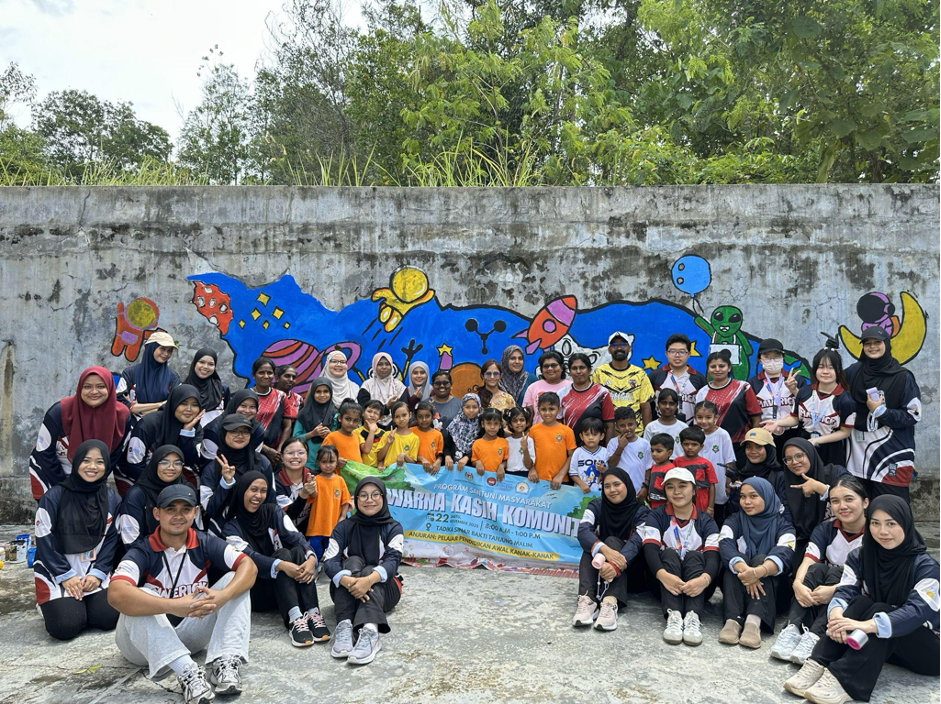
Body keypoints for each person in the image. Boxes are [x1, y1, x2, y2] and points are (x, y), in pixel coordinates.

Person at [109, 484, 257, 704]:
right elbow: (115, 594)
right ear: (157, 513)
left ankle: (224, 663)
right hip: (141, 646)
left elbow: (249, 566)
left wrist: (223, 596)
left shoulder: (204, 540)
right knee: (135, 595)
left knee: (233, 583)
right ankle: (187, 672)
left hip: (190, 632)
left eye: (185, 509)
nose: (178, 516)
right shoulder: (143, 549)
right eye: (170, 509)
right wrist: (172, 605)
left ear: (195, 512)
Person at [783, 496, 939, 704]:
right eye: (875, 523)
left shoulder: (927, 567)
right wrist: (837, 617)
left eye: (891, 523)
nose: (882, 531)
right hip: (884, 645)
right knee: (860, 603)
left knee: (883, 610)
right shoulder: (861, 556)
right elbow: (845, 591)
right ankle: (818, 663)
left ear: (906, 524)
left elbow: (916, 613)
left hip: (928, 652)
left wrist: (864, 625)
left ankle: (845, 681)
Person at [223, 470, 329, 647]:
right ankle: (294, 620)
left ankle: (312, 613)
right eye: (253, 490)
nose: (258, 495)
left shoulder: (273, 511)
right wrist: (281, 565)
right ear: (242, 491)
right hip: (259, 591)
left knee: (296, 551)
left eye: (263, 491)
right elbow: (249, 558)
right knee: (282, 556)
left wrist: (311, 558)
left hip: (286, 585)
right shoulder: (230, 527)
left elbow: (296, 537)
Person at [771, 476, 868, 665]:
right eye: (835, 501)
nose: (842, 506)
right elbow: (809, 560)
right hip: (823, 592)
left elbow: (870, 579)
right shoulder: (826, 528)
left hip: (857, 595)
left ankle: (815, 636)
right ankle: (793, 629)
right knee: (816, 569)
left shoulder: (875, 533)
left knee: (836, 573)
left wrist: (835, 590)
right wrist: (798, 584)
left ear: (865, 502)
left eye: (849, 499)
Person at [34, 439, 121, 641]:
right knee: (64, 627)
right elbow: (44, 539)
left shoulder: (111, 498)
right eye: (86, 461)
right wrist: (65, 575)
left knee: (109, 618)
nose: (92, 467)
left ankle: (83, 606)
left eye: (99, 462)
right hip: (57, 571)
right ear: (76, 462)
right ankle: (49, 605)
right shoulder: (53, 497)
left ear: (106, 466)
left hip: (93, 570)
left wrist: (98, 573)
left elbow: (112, 539)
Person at [325, 477, 404, 666]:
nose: (370, 500)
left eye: (376, 494)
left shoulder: (393, 527)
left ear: (383, 498)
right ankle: (344, 626)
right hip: (347, 588)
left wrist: (367, 580)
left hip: (386, 591)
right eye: (364, 495)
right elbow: (329, 561)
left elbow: (393, 562)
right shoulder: (343, 527)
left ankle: (371, 631)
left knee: (370, 568)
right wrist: (348, 581)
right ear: (356, 499)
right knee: (352, 561)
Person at [643, 467, 720, 646]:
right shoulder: (656, 515)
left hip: (700, 586)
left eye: (682, 486)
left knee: (694, 556)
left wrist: (705, 579)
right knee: (668, 552)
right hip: (664, 584)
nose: (676, 492)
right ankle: (674, 615)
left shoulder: (706, 521)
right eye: (670, 487)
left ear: (693, 490)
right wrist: (663, 576)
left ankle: (693, 617)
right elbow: (650, 550)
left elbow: (713, 558)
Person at [29, 366, 131, 500]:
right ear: (79, 388)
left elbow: (113, 457)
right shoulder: (59, 411)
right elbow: (44, 453)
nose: (94, 392)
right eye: (87, 387)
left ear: (110, 388)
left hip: (93, 478)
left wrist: (91, 484)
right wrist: (65, 488)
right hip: (51, 475)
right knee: (56, 514)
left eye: (101, 386)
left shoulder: (122, 416)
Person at [844, 327, 921, 502]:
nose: (872, 347)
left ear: (886, 343)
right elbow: (833, 388)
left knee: (891, 509)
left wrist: (881, 412)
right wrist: (829, 357)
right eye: (867, 343)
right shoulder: (854, 372)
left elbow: (913, 415)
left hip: (890, 453)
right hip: (857, 454)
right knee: (859, 509)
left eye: (877, 342)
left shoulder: (903, 377)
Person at [718, 477, 796, 649]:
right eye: (743, 496)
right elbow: (724, 544)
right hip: (739, 584)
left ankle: (754, 622)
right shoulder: (734, 520)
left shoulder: (784, 526)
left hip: (774, 595)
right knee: (737, 559)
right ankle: (733, 620)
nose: (746, 502)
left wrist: (757, 572)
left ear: (767, 496)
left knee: (762, 559)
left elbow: (785, 554)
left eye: (753, 496)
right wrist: (745, 570)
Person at [572, 467, 649, 632]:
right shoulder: (596, 505)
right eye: (607, 486)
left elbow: (637, 542)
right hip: (601, 571)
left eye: (617, 484)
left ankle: (610, 602)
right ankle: (587, 600)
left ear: (627, 484)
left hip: (631, 572)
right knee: (592, 545)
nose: (612, 490)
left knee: (612, 541)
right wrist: (603, 549)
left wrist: (615, 564)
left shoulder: (641, 510)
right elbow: (583, 530)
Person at [763, 346, 853, 467]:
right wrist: (778, 423)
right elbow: (795, 418)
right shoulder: (804, 392)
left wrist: (817, 440)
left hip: (830, 450)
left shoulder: (846, 400)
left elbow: (845, 432)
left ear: (838, 370)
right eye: (821, 367)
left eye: (831, 368)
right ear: (815, 369)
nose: (825, 371)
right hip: (803, 445)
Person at [118, 385, 204, 494]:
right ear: (173, 403)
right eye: (183, 403)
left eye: (194, 405)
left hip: (171, 480)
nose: (189, 409)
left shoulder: (196, 428)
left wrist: (186, 433)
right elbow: (134, 462)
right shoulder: (148, 424)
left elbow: (190, 461)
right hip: (137, 479)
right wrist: (156, 486)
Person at [201, 414, 275, 535]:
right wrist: (225, 483)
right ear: (223, 433)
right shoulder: (213, 467)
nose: (240, 436)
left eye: (245, 432)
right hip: (222, 532)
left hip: (258, 529)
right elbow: (211, 509)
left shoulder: (262, 463)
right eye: (234, 431)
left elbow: (271, 502)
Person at [782, 438, 849, 558]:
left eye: (799, 456)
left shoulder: (835, 473)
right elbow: (787, 521)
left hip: (841, 536)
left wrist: (821, 488)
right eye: (788, 459)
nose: (794, 462)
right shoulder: (787, 483)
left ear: (810, 453)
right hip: (803, 542)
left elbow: (855, 496)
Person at [695, 349, 761, 465]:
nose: (717, 370)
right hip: (711, 445)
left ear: (729, 367)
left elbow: (755, 418)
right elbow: (698, 422)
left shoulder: (743, 387)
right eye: (713, 366)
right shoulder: (702, 392)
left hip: (740, 444)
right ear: (708, 369)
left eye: (722, 366)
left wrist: (753, 442)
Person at [116, 445, 187, 548]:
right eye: (164, 462)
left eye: (177, 463)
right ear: (154, 464)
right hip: (143, 556)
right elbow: (131, 540)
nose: (171, 467)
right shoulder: (137, 495)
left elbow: (194, 530)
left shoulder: (186, 490)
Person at [748, 338, 806, 452]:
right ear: (760, 359)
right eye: (767, 357)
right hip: (765, 434)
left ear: (782, 358)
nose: (772, 360)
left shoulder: (796, 380)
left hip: (793, 433)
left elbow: (808, 408)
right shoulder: (753, 383)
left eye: (776, 356)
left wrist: (794, 390)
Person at [590, 332, 653, 434]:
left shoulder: (640, 374)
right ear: (609, 350)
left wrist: (647, 435)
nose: (619, 348)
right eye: (614, 345)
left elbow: (646, 407)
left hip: (636, 435)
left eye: (623, 344)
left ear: (629, 348)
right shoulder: (599, 373)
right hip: (608, 435)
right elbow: (594, 406)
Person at [117, 331, 181, 419]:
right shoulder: (130, 374)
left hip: (160, 427)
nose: (166, 354)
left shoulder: (173, 377)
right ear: (151, 348)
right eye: (162, 348)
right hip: (132, 428)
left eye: (169, 351)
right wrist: (161, 404)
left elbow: (176, 405)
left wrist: (135, 407)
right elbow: (119, 403)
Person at [304, 445, 353, 560]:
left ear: (337, 461)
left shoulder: (339, 480)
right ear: (318, 462)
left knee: (332, 551)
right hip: (317, 523)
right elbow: (313, 497)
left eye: (331, 461)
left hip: (333, 523)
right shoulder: (316, 479)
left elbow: (345, 500)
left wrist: (342, 517)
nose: (328, 465)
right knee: (315, 550)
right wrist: (310, 485)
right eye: (324, 462)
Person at [728, 427, 789, 517]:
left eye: (758, 447)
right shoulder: (741, 475)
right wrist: (735, 489)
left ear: (768, 449)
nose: (753, 451)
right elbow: (734, 511)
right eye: (748, 447)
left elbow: (784, 510)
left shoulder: (779, 476)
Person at [648, 334, 707, 422]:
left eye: (682, 352)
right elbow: (648, 406)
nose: (677, 355)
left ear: (689, 354)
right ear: (666, 354)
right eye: (672, 351)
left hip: (690, 431)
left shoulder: (699, 378)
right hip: (661, 430)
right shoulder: (655, 376)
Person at [694, 400, 736, 526]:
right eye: (699, 417)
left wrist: (728, 484)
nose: (704, 421)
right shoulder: (696, 435)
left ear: (716, 418)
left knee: (717, 516)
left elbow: (729, 461)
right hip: (700, 484)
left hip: (719, 482)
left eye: (708, 417)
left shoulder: (722, 435)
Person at [560, 353, 614, 443]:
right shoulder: (561, 394)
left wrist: (608, 452)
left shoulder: (602, 393)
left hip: (596, 451)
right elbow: (558, 426)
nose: (578, 371)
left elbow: (610, 425)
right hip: (570, 450)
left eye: (582, 368)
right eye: (574, 368)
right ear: (569, 371)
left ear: (589, 370)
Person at [200, 389, 264, 464]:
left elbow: (254, 458)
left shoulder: (257, 430)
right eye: (243, 406)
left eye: (252, 407)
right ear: (234, 405)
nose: (247, 411)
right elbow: (207, 463)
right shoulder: (214, 430)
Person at [250, 356, 295, 461]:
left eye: (269, 373)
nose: (266, 376)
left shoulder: (281, 397)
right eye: (261, 373)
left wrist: (280, 450)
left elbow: (287, 427)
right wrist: (264, 449)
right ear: (253, 375)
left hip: (275, 453)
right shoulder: (246, 396)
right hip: (250, 448)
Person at [527, 392, 576, 488]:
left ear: (559, 410)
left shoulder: (567, 431)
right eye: (543, 409)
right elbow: (528, 453)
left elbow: (572, 456)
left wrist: (561, 475)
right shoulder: (533, 430)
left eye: (551, 409)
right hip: (537, 479)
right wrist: (531, 469)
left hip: (560, 481)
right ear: (538, 410)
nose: (547, 413)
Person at [673, 426, 718, 518]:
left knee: (701, 521)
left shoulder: (706, 463)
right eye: (686, 444)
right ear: (681, 444)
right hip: (683, 496)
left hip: (702, 497)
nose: (690, 447)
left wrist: (710, 507)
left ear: (701, 446)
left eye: (694, 444)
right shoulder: (677, 462)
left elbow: (712, 485)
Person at [293, 378, 336, 471]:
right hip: (307, 463)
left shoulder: (335, 415)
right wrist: (312, 433)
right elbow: (295, 438)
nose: (322, 395)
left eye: (326, 391)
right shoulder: (303, 414)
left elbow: (339, 438)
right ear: (312, 393)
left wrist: (329, 434)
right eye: (318, 392)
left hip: (328, 464)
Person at [275, 437, 316, 534]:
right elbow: (290, 514)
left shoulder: (315, 476)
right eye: (290, 453)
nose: (295, 456)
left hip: (311, 532)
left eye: (301, 453)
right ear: (281, 456)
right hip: (284, 533)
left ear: (307, 455)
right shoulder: (276, 481)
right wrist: (304, 493)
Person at [606, 407, 651, 494]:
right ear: (617, 427)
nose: (627, 428)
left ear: (636, 424)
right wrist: (620, 447)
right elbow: (611, 464)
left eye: (630, 424)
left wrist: (645, 486)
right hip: (618, 491)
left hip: (638, 490)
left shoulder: (644, 444)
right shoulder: (613, 443)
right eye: (622, 425)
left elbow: (648, 467)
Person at [181, 348, 228, 427]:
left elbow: (227, 414)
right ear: (195, 363)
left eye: (211, 364)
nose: (206, 367)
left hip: (214, 437)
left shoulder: (222, 389)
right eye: (202, 362)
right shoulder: (182, 389)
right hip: (188, 435)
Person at [356, 353, 405, 427]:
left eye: (387, 364)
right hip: (371, 428)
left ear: (391, 366)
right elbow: (363, 409)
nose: (384, 367)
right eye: (380, 364)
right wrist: (386, 407)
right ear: (374, 366)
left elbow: (405, 407)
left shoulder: (398, 386)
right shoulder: (367, 385)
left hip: (395, 426)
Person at [521, 351, 572, 423]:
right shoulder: (533, 387)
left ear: (562, 367)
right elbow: (527, 417)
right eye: (546, 366)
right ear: (541, 369)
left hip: (564, 433)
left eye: (554, 365)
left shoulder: (571, 387)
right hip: (538, 433)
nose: (550, 368)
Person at [568, 417, 610, 494]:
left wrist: (603, 469)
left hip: (600, 493)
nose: (590, 437)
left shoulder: (605, 452)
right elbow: (572, 473)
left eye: (595, 434)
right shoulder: (578, 452)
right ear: (581, 436)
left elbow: (610, 472)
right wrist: (581, 484)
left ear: (602, 436)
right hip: (580, 492)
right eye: (587, 434)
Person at [643, 388, 687, 458]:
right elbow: (647, 451)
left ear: (676, 405)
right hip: (657, 466)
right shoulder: (651, 427)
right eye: (664, 403)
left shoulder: (684, 427)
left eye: (671, 403)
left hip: (679, 466)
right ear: (658, 404)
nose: (667, 407)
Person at [444, 393, 482, 471]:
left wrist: (467, 457)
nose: (471, 410)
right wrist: (447, 456)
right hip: (453, 467)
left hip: (473, 470)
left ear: (479, 408)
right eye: (467, 407)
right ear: (462, 408)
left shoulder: (482, 426)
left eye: (474, 407)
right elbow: (447, 446)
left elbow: (481, 448)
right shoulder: (455, 424)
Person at [377, 401, 420, 470]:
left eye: (404, 415)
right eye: (397, 416)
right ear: (393, 419)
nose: (401, 419)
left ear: (410, 415)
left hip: (403, 475)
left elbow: (413, 462)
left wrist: (404, 456)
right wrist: (388, 443)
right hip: (387, 473)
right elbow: (379, 458)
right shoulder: (387, 434)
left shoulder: (414, 438)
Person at [471, 408, 510, 482]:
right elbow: (473, 460)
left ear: (500, 425)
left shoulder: (504, 443)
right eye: (489, 423)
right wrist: (477, 463)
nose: (492, 427)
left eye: (496, 423)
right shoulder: (477, 443)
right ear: (483, 424)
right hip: (480, 481)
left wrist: (502, 466)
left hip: (498, 481)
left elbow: (506, 460)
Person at [322, 399, 365, 465]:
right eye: (348, 419)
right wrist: (335, 461)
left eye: (355, 421)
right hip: (339, 474)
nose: (351, 423)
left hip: (356, 474)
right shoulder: (332, 436)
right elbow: (321, 456)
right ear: (340, 418)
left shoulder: (356, 436)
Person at [642, 434, 676, 508]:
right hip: (653, 505)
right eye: (652, 450)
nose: (654, 454)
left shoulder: (671, 469)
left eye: (659, 451)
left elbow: (672, 491)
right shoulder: (653, 466)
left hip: (665, 506)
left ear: (669, 453)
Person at [413, 401, 444, 474]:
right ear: (416, 417)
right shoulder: (411, 432)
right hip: (413, 472)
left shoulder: (437, 434)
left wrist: (438, 461)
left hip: (431, 472)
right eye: (420, 417)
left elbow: (440, 453)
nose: (424, 420)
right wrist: (421, 459)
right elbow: (407, 453)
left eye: (427, 416)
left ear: (432, 417)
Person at [504, 407, 535, 478]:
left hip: (524, 474)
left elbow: (529, 465)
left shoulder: (529, 440)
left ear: (527, 423)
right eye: (515, 421)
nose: (518, 423)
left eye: (521, 420)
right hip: (508, 474)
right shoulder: (506, 441)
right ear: (510, 425)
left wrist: (525, 448)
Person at [358, 400, 388, 468]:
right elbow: (366, 450)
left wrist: (381, 464)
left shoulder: (383, 433)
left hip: (377, 469)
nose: (372, 415)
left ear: (380, 418)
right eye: (369, 411)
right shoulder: (356, 432)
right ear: (363, 413)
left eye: (376, 413)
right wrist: (372, 431)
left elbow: (384, 454)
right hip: (361, 468)